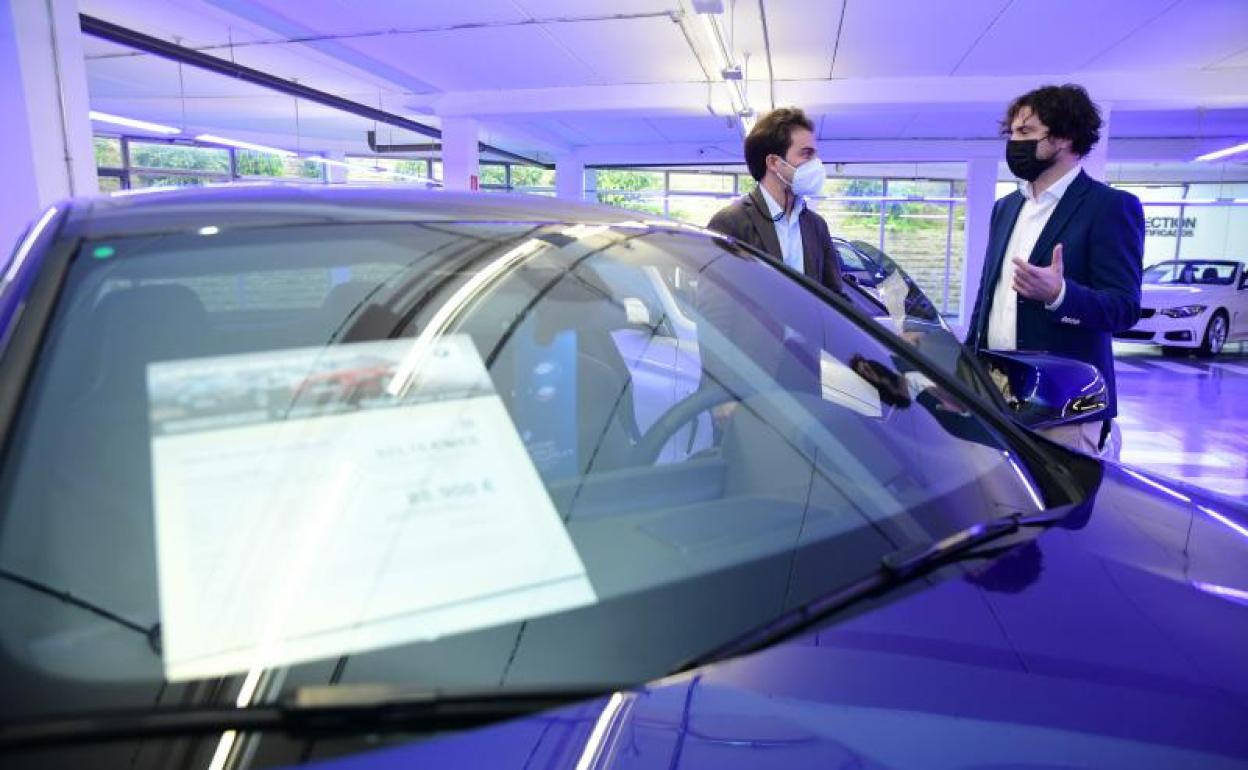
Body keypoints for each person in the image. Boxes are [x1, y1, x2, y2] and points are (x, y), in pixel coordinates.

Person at [965, 84, 1144, 460]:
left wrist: (1060, 295)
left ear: (1063, 136)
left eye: (1025, 132)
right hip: (996, 393)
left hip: (1063, 407)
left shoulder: (1109, 207)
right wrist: (964, 371)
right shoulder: (1006, 207)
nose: (1014, 143)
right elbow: (988, 296)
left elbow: (1124, 308)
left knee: (1059, 499)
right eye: (1012, 132)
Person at [706, 107, 843, 294]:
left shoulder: (816, 226)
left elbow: (834, 297)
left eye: (815, 155)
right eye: (806, 153)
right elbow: (714, 302)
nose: (816, 163)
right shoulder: (730, 224)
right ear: (773, 163)